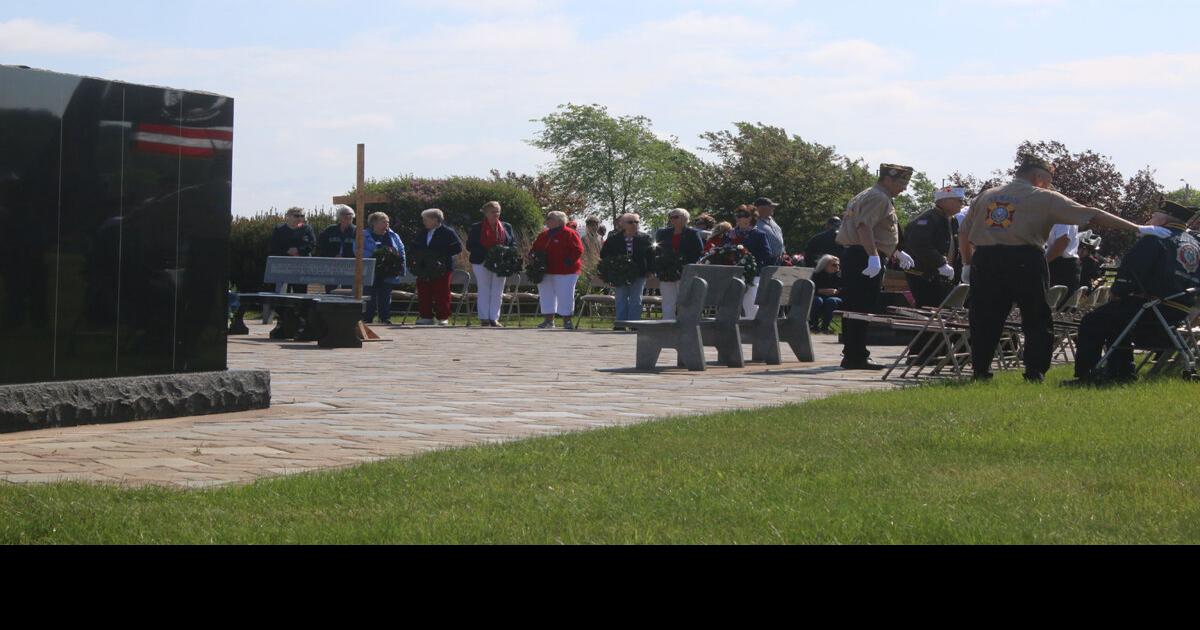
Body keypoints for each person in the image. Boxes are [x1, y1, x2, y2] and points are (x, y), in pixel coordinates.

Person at [959, 154, 1173, 382]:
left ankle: (980, 371)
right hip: (1024, 257)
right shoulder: (1043, 196)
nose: (1049, 184)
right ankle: (1034, 371)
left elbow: (963, 231)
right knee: (1036, 317)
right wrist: (1137, 228)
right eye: (1047, 179)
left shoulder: (986, 195)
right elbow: (1093, 214)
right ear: (1038, 177)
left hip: (985, 258)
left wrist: (967, 263)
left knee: (984, 317)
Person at [1067, 200, 1200, 385]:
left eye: (1153, 216)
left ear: (1162, 221)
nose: (1149, 220)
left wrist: (1118, 292)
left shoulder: (1156, 237)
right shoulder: (1195, 243)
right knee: (1116, 320)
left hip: (1152, 307)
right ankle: (1121, 373)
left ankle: (1087, 375)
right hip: (1179, 311)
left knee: (1092, 321)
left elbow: (1132, 269)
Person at [835, 164, 918, 370]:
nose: (904, 188)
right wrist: (873, 256)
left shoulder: (869, 194)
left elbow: (877, 230)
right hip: (864, 256)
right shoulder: (878, 197)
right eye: (901, 182)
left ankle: (853, 353)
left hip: (860, 254)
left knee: (854, 306)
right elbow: (864, 227)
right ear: (888, 179)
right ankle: (856, 356)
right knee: (860, 307)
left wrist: (895, 251)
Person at [903, 187, 964, 308]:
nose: (962, 204)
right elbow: (919, 244)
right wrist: (940, 263)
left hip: (942, 276)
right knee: (929, 307)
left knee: (942, 309)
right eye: (959, 200)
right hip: (924, 275)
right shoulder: (927, 219)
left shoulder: (952, 221)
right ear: (945, 201)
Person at [530, 211, 584, 329]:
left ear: (559, 221)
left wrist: (569, 261)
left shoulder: (570, 233)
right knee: (546, 295)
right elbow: (534, 248)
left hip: (566, 271)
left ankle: (567, 321)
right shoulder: (543, 235)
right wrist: (533, 257)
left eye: (550, 218)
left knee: (565, 295)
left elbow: (578, 249)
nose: (547, 220)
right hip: (546, 270)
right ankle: (549, 321)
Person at [409, 208, 463, 326]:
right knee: (424, 291)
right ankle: (426, 316)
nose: (423, 222)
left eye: (426, 219)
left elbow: (457, 248)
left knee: (441, 292)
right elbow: (413, 246)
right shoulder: (423, 232)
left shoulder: (448, 232)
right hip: (424, 267)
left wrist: (439, 254)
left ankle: (442, 317)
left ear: (435, 219)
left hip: (442, 268)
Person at [601, 213, 655, 330]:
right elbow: (604, 255)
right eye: (631, 222)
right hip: (620, 274)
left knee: (636, 299)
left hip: (640, 273)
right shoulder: (613, 239)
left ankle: (634, 324)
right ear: (623, 224)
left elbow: (651, 256)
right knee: (621, 298)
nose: (634, 224)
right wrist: (612, 269)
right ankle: (620, 324)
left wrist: (650, 270)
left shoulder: (645, 238)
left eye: (636, 222)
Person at [466, 201, 515, 327]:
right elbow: (470, 245)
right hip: (481, 261)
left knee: (498, 290)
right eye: (493, 212)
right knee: (484, 288)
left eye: (498, 211)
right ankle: (484, 318)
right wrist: (488, 253)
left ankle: (494, 318)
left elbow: (512, 244)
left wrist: (505, 252)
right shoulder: (477, 227)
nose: (496, 214)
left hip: (501, 263)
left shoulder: (506, 226)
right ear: (486, 213)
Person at [655, 208, 705, 320]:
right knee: (668, 299)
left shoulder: (692, 233)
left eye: (675, 217)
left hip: (685, 271)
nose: (672, 219)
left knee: (684, 299)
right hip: (666, 271)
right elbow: (658, 250)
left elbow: (698, 252)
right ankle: (667, 322)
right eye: (671, 217)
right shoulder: (663, 233)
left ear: (685, 218)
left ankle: (685, 322)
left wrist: (684, 264)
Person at [360, 212, 406, 324]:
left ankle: (385, 317)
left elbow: (401, 250)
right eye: (383, 221)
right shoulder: (363, 235)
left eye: (388, 221)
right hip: (370, 269)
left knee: (385, 295)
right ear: (374, 223)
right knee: (369, 294)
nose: (387, 224)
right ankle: (367, 317)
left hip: (388, 270)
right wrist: (376, 255)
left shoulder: (393, 235)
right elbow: (358, 250)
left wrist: (400, 265)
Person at [727, 205, 773, 318]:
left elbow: (767, 254)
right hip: (732, 274)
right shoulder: (730, 234)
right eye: (737, 215)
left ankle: (756, 330)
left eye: (742, 215)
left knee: (750, 304)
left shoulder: (758, 235)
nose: (738, 218)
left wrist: (748, 258)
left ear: (750, 218)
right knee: (730, 305)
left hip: (752, 274)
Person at [269, 207, 316, 294]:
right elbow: (274, 246)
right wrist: (287, 251)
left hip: (301, 266)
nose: (300, 218)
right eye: (296, 216)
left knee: (300, 293)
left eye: (302, 216)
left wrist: (298, 250)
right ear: (288, 216)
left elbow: (312, 244)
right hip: (283, 266)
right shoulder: (279, 229)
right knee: (282, 294)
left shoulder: (307, 229)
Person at [317, 204, 358, 293]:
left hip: (349, 266)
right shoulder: (329, 230)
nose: (347, 216)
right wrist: (331, 256)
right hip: (331, 266)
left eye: (350, 214)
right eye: (344, 214)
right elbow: (321, 247)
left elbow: (360, 250)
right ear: (339, 216)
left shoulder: (357, 231)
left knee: (348, 291)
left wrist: (346, 258)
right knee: (330, 291)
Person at [1045, 222, 1082, 298]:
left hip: (1061, 267)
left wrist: (1042, 263)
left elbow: (1062, 243)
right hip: (1065, 265)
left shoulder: (1062, 217)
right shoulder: (1066, 214)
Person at [810, 255, 843, 333]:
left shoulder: (840, 275)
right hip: (819, 297)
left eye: (838, 265)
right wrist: (821, 291)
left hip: (835, 297)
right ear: (825, 265)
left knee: (831, 301)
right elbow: (811, 289)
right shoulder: (816, 275)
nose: (837, 267)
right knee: (817, 300)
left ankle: (825, 327)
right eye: (834, 265)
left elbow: (845, 289)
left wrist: (836, 291)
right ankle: (814, 325)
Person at [754, 197, 786, 262]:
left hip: (779, 259)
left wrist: (783, 251)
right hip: (765, 261)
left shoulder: (771, 219)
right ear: (760, 208)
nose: (773, 208)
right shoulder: (753, 222)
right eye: (770, 207)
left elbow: (779, 236)